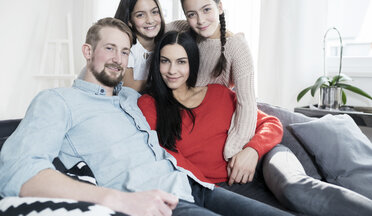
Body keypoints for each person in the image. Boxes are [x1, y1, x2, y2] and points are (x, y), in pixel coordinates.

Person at [0, 17, 291, 216]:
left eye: (125, 51)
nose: (118, 59)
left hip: (193, 184)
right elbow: (16, 172)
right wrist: (116, 199)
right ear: (88, 51)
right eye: (109, 48)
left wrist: (223, 32)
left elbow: (178, 41)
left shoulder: (132, 98)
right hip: (156, 201)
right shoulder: (57, 101)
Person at [138, 31, 284, 207]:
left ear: (192, 63)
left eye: (181, 62)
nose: (172, 70)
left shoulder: (218, 93)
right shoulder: (148, 104)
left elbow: (271, 123)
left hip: (252, 176)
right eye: (165, 61)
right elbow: (167, 154)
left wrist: (253, 150)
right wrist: (209, 190)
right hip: (209, 190)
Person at [166, 0, 257, 170]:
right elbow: (159, 28)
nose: (200, 20)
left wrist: (232, 150)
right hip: (187, 121)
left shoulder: (236, 46)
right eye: (192, 14)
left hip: (216, 125)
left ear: (220, 7)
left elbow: (247, 105)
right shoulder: (187, 31)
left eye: (206, 9)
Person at [114, 0, 165, 92]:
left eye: (154, 12)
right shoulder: (126, 46)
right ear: (129, 20)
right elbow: (129, 87)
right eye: (140, 15)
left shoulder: (163, 44)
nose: (150, 20)